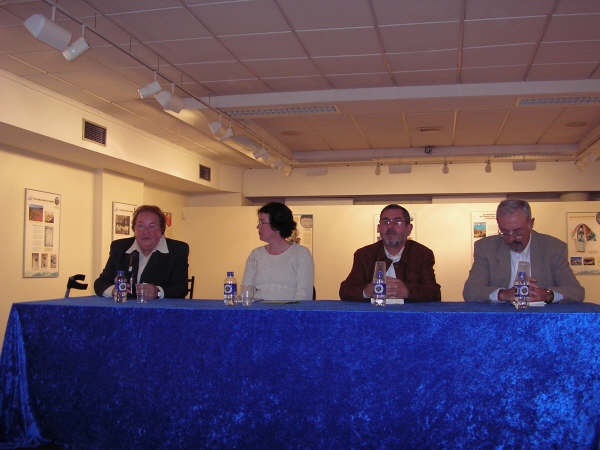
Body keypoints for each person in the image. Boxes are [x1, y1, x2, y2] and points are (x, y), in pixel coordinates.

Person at [463, 199, 584, 303]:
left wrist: (547, 294)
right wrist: (503, 294)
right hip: (499, 320)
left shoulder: (554, 248)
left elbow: (576, 292)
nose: (511, 238)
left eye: (518, 232)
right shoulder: (485, 248)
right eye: (504, 232)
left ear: (531, 224)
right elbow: (470, 292)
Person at [339, 204, 441, 302]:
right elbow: (345, 290)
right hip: (372, 315)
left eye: (397, 222)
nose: (390, 226)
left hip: (410, 317)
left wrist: (408, 292)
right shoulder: (364, 255)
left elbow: (434, 292)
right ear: (379, 228)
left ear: (409, 229)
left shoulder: (422, 254)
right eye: (386, 222)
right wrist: (367, 291)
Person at [94, 205, 189, 299]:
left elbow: (180, 288)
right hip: (123, 311)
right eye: (140, 226)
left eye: (151, 226)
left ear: (162, 229)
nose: (145, 232)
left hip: (160, 312)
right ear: (134, 229)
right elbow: (100, 283)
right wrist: (113, 290)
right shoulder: (120, 247)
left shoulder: (177, 250)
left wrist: (158, 292)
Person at [242, 202, 314, 300]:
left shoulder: (301, 254)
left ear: (276, 224)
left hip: (290, 313)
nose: (258, 227)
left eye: (262, 222)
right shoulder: (255, 255)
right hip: (259, 313)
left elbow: (304, 296)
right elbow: (246, 292)